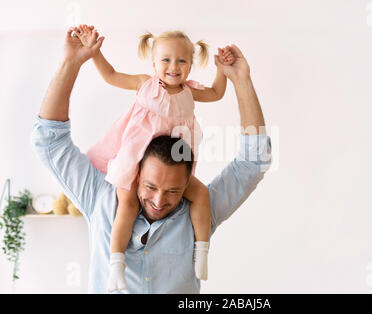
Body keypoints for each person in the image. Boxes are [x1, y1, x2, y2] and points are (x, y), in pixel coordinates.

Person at [31, 26, 272, 294]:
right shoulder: (103, 198)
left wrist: (241, 80)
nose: (159, 201)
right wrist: (72, 63)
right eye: (150, 186)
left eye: (174, 191)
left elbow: (253, 162)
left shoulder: (199, 209)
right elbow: (50, 141)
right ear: (136, 171)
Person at [72, 24, 236, 291]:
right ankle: (116, 263)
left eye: (182, 60)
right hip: (137, 160)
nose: (174, 66)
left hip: (171, 165)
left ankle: (201, 252)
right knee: (126, 203)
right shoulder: (145, 85)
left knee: (201, 194)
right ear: (154, 63)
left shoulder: (189, 92)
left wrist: (222, 69)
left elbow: (217, 93)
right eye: (166, 60)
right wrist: (93, 53)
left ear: (191, 65)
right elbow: (111, 75)